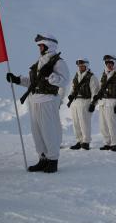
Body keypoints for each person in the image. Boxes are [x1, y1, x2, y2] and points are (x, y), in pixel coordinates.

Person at [6, 34, 70, 173]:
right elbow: (32, 82)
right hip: (34, 100)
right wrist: (17, 79)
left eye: (41, 45)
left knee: (49, 131)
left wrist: (50, 75)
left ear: (48, 45)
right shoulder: (39, 62)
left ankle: (52, 160)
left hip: (47, 100)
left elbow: (64, 81)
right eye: (39, 46)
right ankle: (43, 159)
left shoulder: (58, 62)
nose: (39, 48)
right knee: (37, 133)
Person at [89, 55, 116, 152]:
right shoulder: (104, 74)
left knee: (112, 124)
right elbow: (100, 89)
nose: (109, 65)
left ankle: (115, 143)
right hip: (103, 102)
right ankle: (107, 143)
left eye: (111, 63)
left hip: (112, 102)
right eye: (107, 63)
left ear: (114, 64)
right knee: (103, 125)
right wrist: (94, 102)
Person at [67, 58, 100, 150]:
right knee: (76, 123)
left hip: (85, 101)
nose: (81, 67)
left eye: (82, 66)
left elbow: (95, 91)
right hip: (75, 101)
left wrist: (93, 104)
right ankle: (79, 141)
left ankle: (86, 142)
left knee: (84, 123)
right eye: (79, 66)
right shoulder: (76, 76)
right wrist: (70, 95)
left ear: (86, 66)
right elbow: (72, 87)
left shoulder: (91, 77)